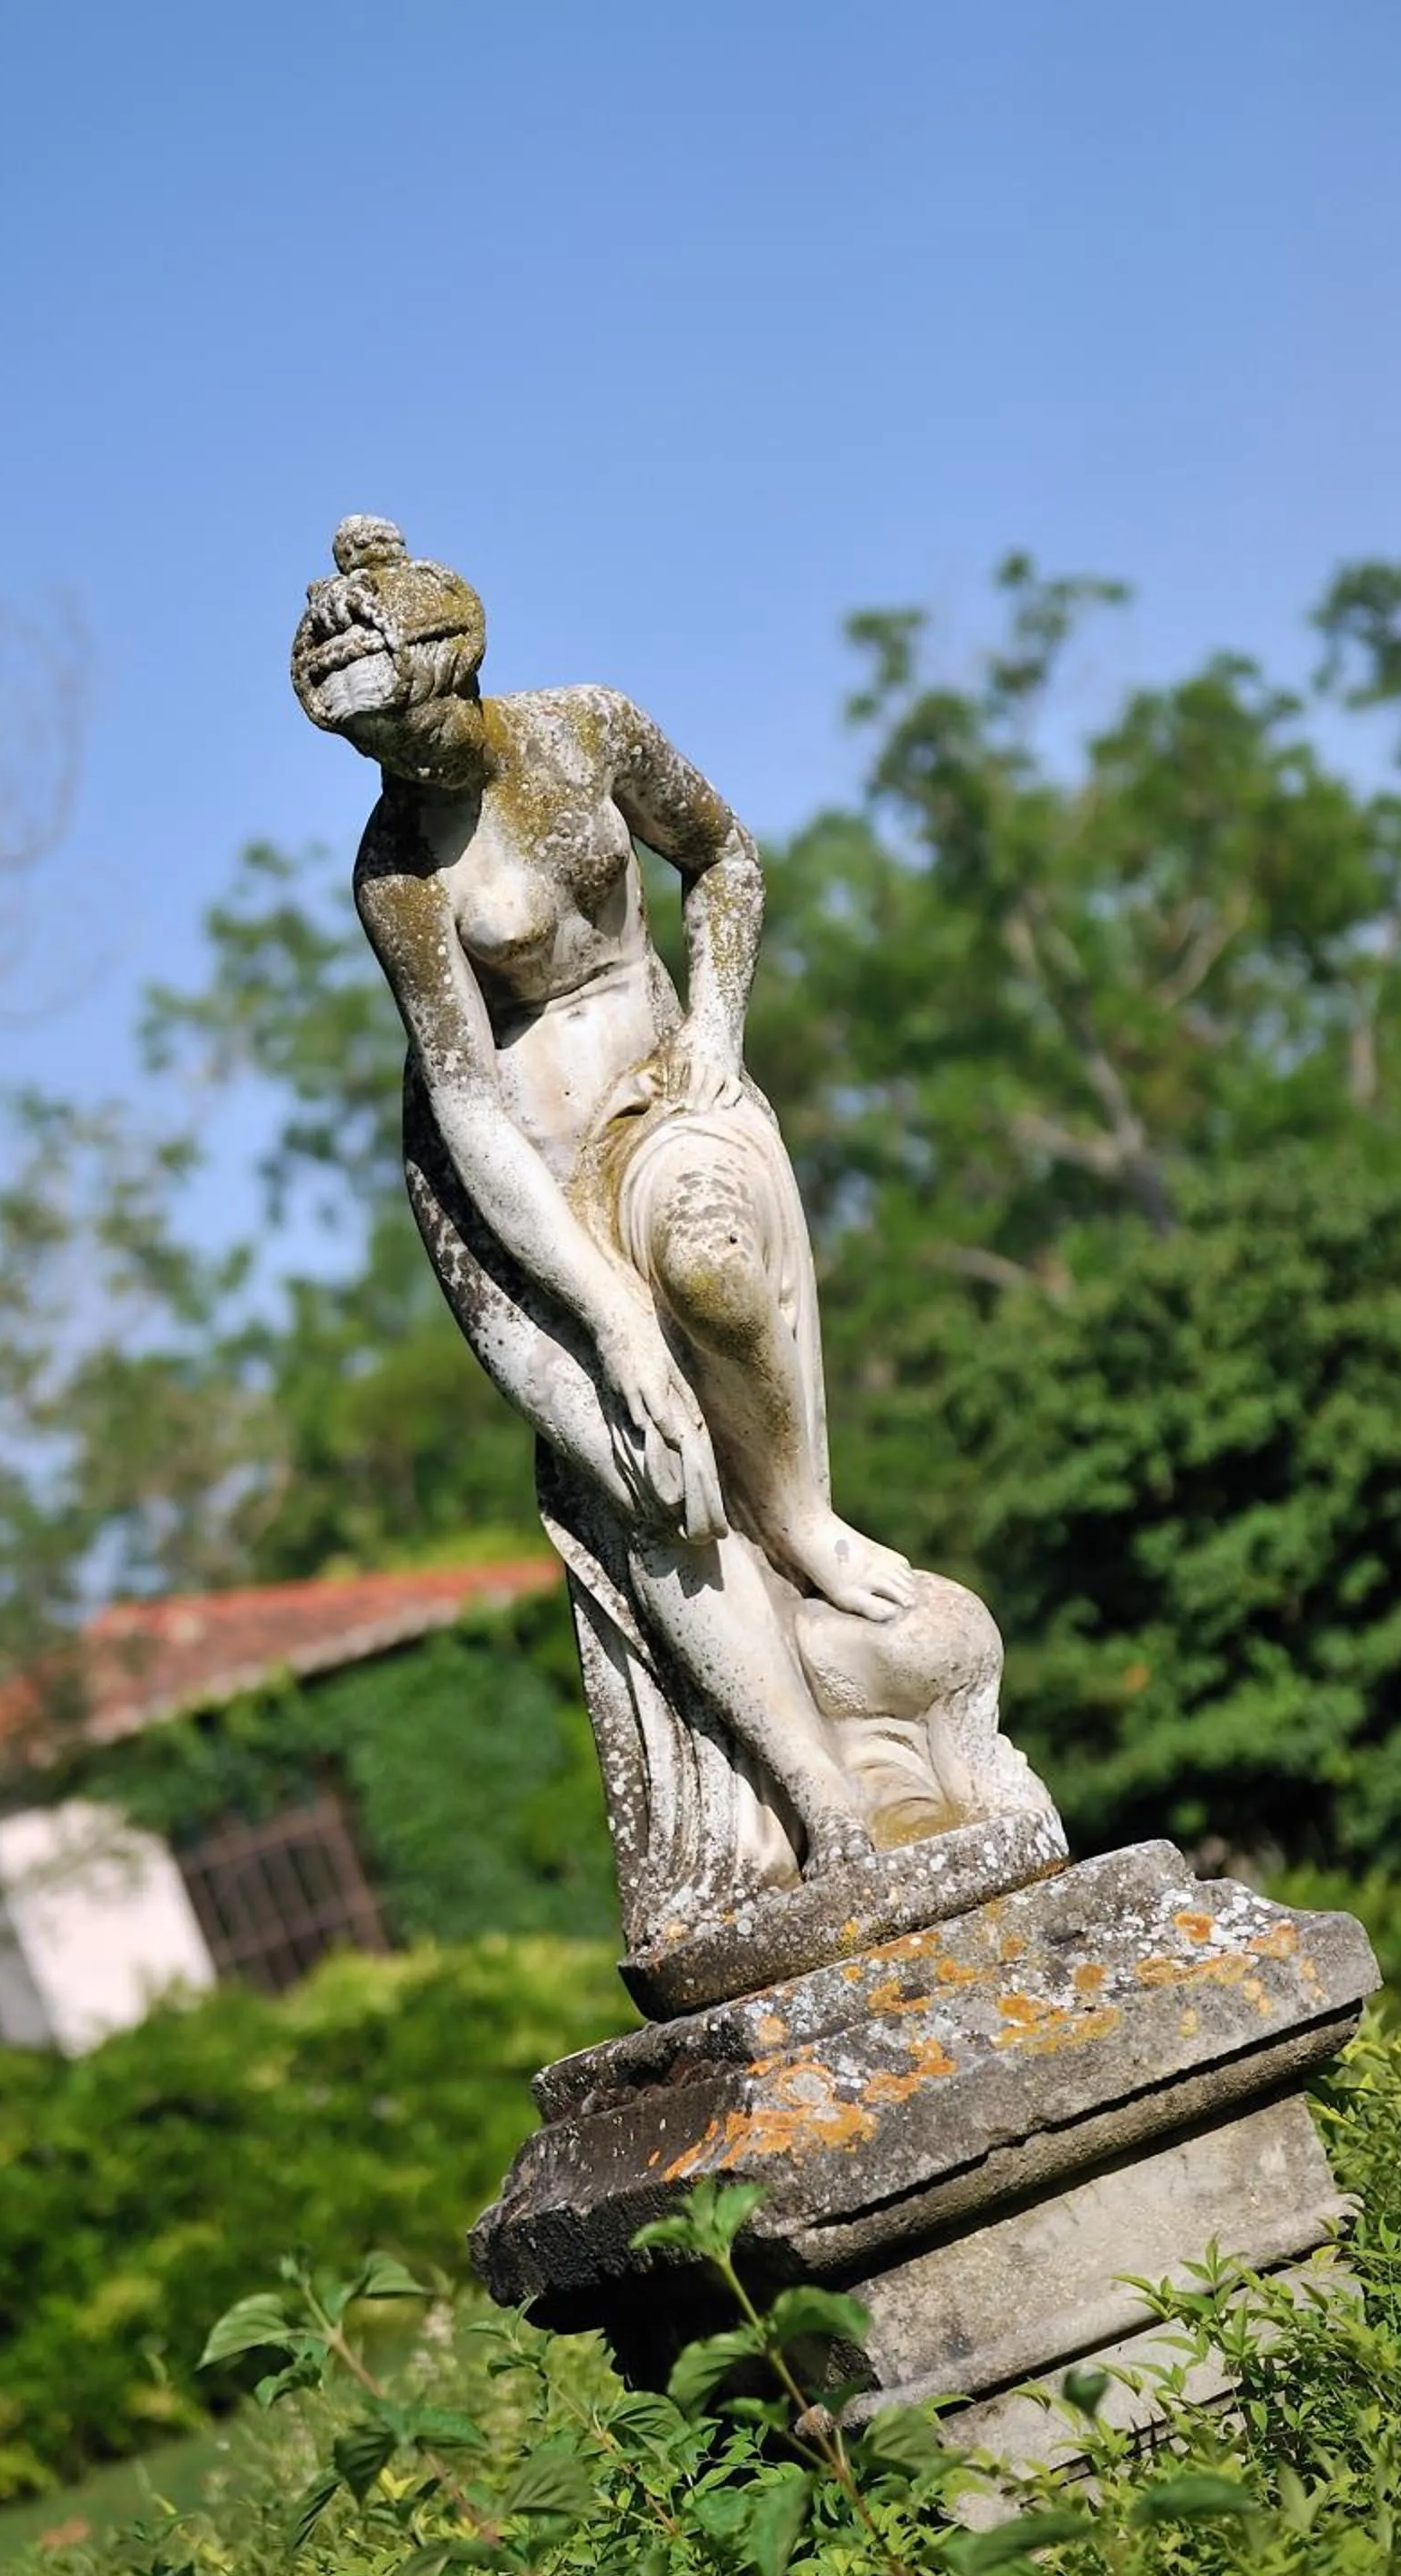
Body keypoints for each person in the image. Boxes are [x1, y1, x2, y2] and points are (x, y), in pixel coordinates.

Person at [293, 518, 1043, 1945]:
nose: (405, 766)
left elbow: (727, 861)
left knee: (709, 1269)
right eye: (372, 749)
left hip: (660, 1091)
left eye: (412, 726)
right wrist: (607, 1318)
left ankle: (809, 1525)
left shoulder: (588, 731)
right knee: (653, 1484)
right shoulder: (396, 874)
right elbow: (463, 1099)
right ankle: (823, 1799)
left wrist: (717, 1026)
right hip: (509, 1193)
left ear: (458, 676)